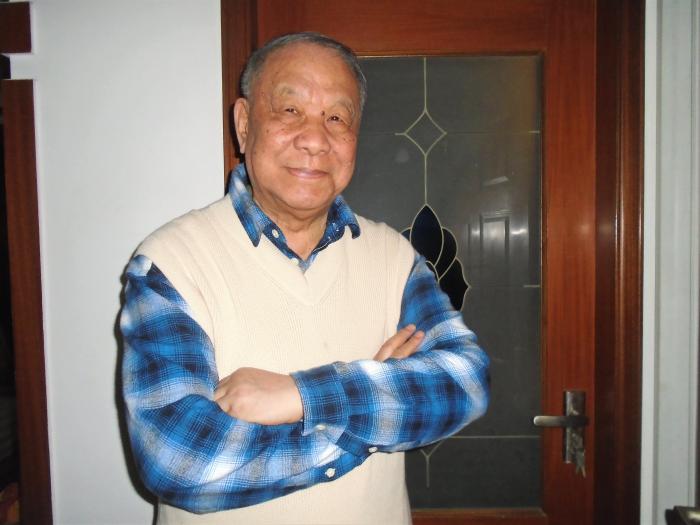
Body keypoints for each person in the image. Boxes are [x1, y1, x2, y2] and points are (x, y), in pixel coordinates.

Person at [120, 32, 490, 525]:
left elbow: (466, 382)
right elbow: (182, 461)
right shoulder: (170, 263)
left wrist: (299, 395)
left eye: (337, 118)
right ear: (244, 124)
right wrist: (371, 412)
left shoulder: (394, 258)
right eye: (290, 110)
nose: (315, 139)